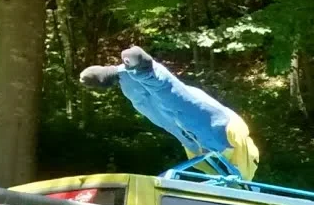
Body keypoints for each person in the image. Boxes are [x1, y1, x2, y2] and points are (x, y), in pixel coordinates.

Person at [79, 46, 259, 178]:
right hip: (223, 133)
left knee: (148, 105)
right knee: (179, 102)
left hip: (195, 142)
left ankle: (119, 74)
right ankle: (143, 70)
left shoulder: (224, 172)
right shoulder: (244, 169)